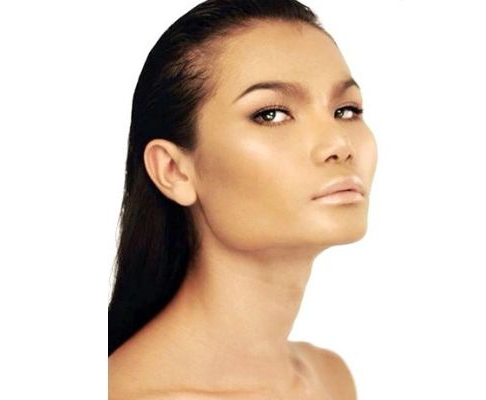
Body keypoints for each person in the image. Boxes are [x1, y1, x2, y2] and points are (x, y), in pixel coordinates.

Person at [108, 0, 378, 398]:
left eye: (346, 110)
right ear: (174, 170)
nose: (339, 144)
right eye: (271, 114)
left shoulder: (330, 379)